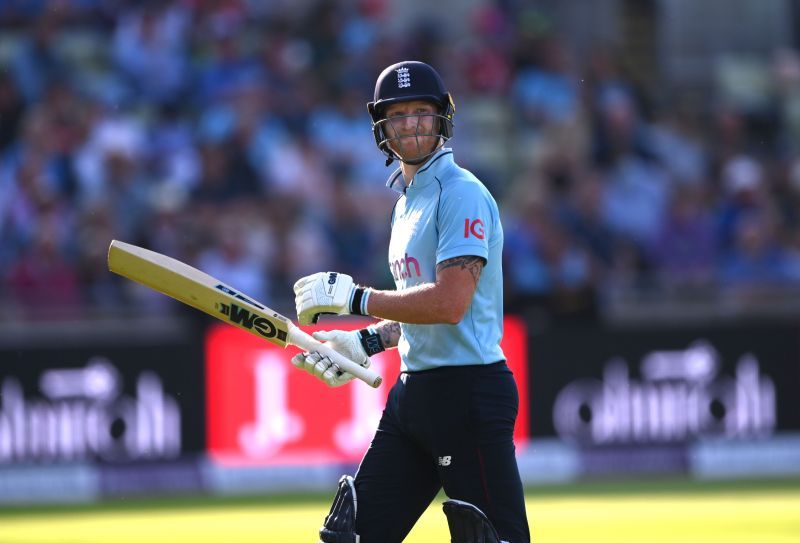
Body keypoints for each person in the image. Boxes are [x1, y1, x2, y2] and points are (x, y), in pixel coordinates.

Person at [291, 60, 530, 543]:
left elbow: (450, 304)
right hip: (414, 396)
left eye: (422, 112)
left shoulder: (460, 193)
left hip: (468, 394)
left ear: (443, 118)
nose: (412, 125)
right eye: (399, 115)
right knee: (352, 536)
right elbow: (423, 311)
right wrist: (368, 341)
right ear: (382, 128)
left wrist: (356, 297)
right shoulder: (406, 203)